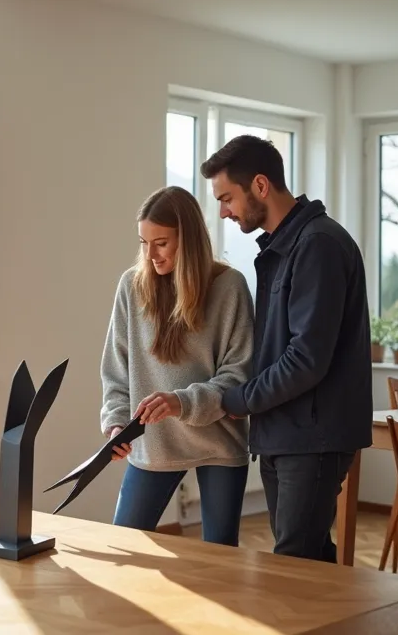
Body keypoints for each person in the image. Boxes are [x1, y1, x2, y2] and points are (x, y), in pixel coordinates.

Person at [201, 135, 372, 563]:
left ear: (260, 186)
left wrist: (239, 399)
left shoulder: (318, 245)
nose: (223, 211)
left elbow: (306, 359)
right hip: (285, 434)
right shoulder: (284, 248)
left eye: (227, 198)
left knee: (295, 565)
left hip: (312, 438)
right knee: (307, 561)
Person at [99, 186, 255, 547]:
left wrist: (181, 401)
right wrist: (117, 421)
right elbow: (116, 370)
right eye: (144, 242)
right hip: (152, 440)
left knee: (219, 560)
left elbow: (238, 374)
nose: (150, 254)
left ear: (189, 238)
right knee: (125, 544)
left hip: (219, 441)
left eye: (162, 243)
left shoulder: (230, 286)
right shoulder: (132, 286)